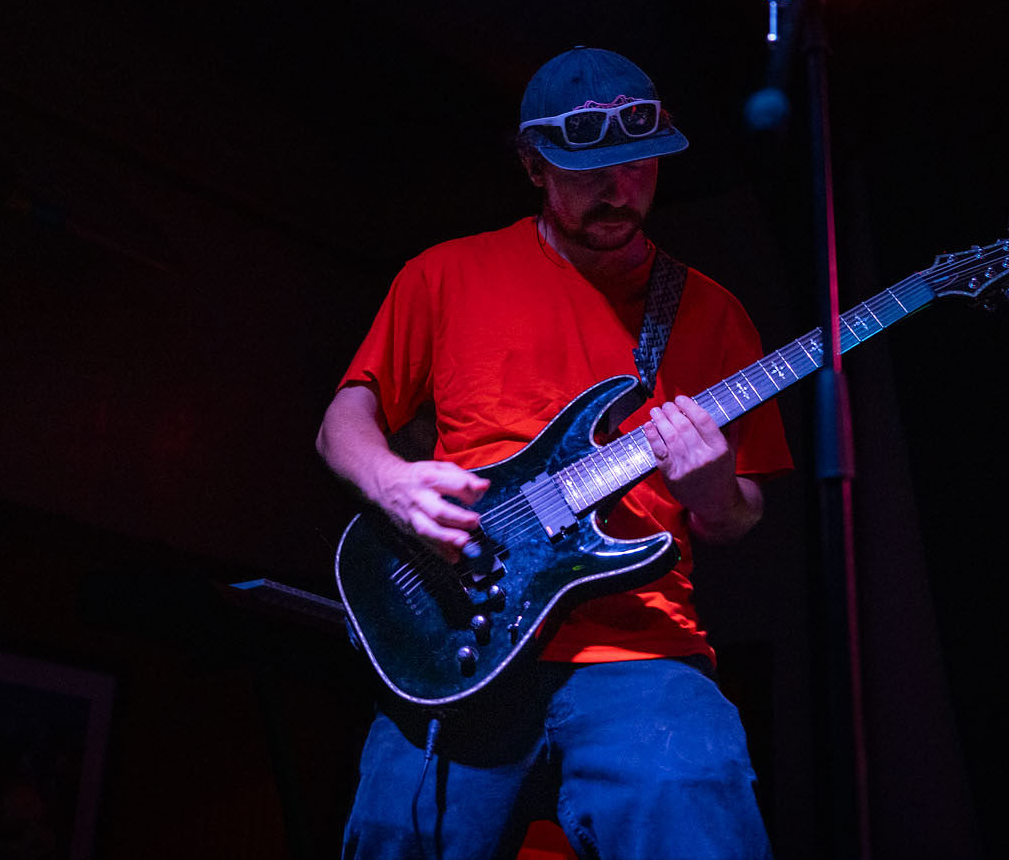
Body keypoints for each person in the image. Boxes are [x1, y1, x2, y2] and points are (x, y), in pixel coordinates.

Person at [317, 45, 791, 860]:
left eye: (637, 166)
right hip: (458, 631)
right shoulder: (446, 274)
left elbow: (738, 513)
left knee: (694, 806)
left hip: (641, 648)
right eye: (586, 171)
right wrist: (391, 483)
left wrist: (713, 490)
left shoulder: (716, 317)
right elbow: (343, 420)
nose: (616, 189)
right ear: (534, 166)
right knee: (395, 833)